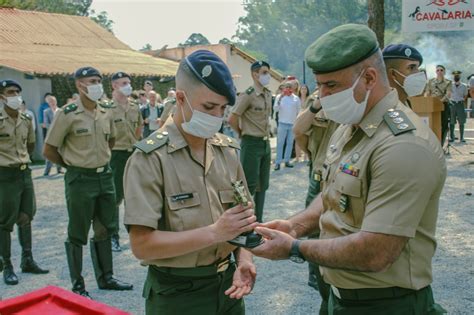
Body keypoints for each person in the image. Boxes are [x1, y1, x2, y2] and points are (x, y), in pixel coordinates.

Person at [250, 24, 447, 315]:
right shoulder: (350, 126)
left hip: (386, 305)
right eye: (319, 85)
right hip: (340, 298)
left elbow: (376, 251)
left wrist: (294, 247)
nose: (323, 94)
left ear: (369, 78)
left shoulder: (402, 145)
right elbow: (334, 193)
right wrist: (296, 225)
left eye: (331, 85)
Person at [124, 50, 257, 315]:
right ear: (181, 98)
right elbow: (141, 245)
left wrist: (244, 258)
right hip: (178, 295)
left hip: (228, 290)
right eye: (208, 107)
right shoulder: (150, 158)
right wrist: (215, 233)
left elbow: (244, 223)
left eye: (222, 109)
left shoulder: (227, 151)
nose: (217, 116)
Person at [43, 66, 133, 298]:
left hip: (105, 176)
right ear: (79, 85)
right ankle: (78, 285)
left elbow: (111, 140)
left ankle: (107, 278)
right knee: (77, 232)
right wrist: (73, 164)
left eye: (98, 81)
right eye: (91, 81)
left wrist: (98, 160)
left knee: (104, 227)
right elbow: (49, 149)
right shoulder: (67, 113)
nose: (96, 85)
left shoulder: (105, 110)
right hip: (80, 179)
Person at [293, 91, 338, 315]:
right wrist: (315, 107)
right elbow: (299, 131)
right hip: (320, 177)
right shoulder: (317, 99)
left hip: (346, 177)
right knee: (316, 232)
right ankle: (320, 287)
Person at [0, 80, 49, 286]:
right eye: (11, 92)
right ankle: (7, 265)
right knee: (4, 222)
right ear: (2, 97)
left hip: (23, 172)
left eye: (18, 92)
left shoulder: (26, 118)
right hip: (4, 175)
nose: (16, 96)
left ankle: (27, 260)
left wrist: (21, 160)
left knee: (26, 216)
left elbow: (29, 145)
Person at [228, 60, 273, 223]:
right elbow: (232, 118)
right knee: (249, 185)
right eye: (264, 72)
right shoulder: (248, 94)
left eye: (268, 72)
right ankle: (244, 223)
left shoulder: (267, 93)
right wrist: (241, 134)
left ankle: (258, 221)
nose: (267, 75)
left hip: (265, 143)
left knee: (263, 185)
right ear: (255, 74)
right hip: (251, 143)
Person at [108, 71, 143, 252]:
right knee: (115, 198)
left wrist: (134, 142)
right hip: (116, 155)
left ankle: (135, 235)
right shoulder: (106, 107)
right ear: (114, 86)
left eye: (128, 82)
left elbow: (139, 126)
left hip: (133, 153)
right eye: (123, 83)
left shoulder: (134, 106)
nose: (127, 86)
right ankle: (113, 236)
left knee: (134, 195)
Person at [273, 82, 301, 170]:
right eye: (287, 87)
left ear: (292, 88)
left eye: (290, 87)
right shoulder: (279, 97)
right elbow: (275, 109)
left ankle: (287, 161)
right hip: (282, 123)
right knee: (280, 143)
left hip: (292, 124)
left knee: (289, 143)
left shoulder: (296, 98)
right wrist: (280, 98)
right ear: (284, 88)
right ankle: (277, 162)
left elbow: (298, 111)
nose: (288, 89)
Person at [425, 65, 452, 146]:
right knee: (432, 124)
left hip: (443, 105)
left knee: (443, 126)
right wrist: (426, 99)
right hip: (432, 106)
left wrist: (440, 102)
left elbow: (448, 94)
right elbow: (427, 92)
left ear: (444, 72)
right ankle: (432, 144)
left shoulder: (448, 82)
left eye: (441, 70)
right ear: (435, 72)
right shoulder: (430, 81)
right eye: (438, 70)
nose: (439, 72)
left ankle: (441, 144)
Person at [43, 95, 63, 176]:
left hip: (60, 134)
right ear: (48, 103)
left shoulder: (61, 111)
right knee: (50, 151)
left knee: (59, 152)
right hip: (51, 134)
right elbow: (46, 123)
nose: (52, 103)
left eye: (53, 101)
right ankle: (47, 171)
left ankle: (59, 169)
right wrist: (54, 129)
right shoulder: (46, 112)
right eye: (50, 102)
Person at [448, 70, 468, 143]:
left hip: (460, 104)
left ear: (460, 76)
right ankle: (452, 137)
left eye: (457, 75)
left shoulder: (464, 86)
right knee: (452, 121)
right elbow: (449, 94)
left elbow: (465, 95)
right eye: (455, 76)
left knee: (461, 121)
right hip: (452, 104)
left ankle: (462, 137)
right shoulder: (450, 85)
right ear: (453, 77)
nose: (456, 77)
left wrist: (462, 100)